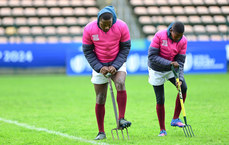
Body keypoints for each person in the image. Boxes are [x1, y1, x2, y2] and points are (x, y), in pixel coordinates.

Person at [82, 6, 131, 140]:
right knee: (100, 98)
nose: (106, 28)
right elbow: (87, 51)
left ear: (113, 21)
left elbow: (125, 48)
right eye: (104, 25)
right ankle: (101, 132)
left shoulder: (122, 26)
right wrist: (99, 67)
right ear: (99, 21)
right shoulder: (89, 29)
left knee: (120, 83)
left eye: (109, 25)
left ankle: (121, 119)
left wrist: (116, 65)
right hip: (99, 64)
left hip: (117, 62)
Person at [148, 21, 188, 136]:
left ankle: (175, 119)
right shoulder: (159, 36)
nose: (178, 39)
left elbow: (180, 61)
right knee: (160, 98)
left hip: (171, 68)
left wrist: (180, 78)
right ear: (171, 31)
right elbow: (152, 56)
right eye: (177, 36)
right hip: (156, 69)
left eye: (180, 36)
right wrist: (170, 63)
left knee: (183, 88)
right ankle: (162, 130)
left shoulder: (183, 40)